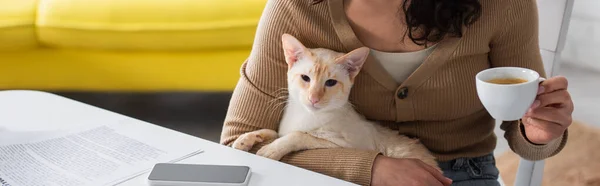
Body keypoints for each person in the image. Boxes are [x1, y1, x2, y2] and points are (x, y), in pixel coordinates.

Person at [220, 0, 574, 185]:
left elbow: (523, 129)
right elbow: (235, 143)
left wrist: (539, 132)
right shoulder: (296, 7)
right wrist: (369, 168)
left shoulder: (502, 6)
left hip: (458, 174)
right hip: (321, 171)